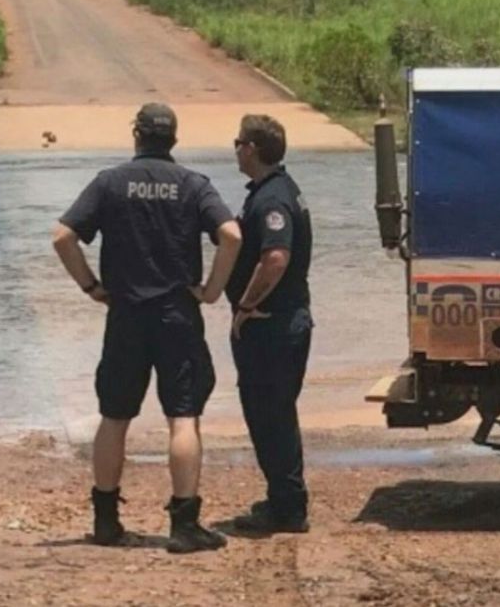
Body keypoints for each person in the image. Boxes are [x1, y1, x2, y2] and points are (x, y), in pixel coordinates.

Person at [51, 103, 241, 554]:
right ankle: (184, 524)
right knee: (183, 417)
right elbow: (231, 234)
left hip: (126, 315)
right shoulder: (194, 185)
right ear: (173, 139)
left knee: (114, 416)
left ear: (136, 134)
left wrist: (90, 286)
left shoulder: (110, 183)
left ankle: (105, 521)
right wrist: (213, 290)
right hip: (176, 315)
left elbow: (62, 236)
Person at [226, 114, 314, 533]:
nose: (235, 148)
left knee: (269, 414)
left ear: (252, 149)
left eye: (238, 142)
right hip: (283, 321)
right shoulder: (276, 190)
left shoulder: (272, 200)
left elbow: (275, 258)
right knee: (276, 413)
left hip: (271, 325)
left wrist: (245, 305)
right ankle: (284, 499)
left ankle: (288, 508)